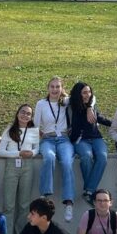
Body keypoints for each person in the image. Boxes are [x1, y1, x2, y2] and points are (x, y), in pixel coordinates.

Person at [35, 77, 76, 222]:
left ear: (62, 88)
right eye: (52, 87)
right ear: (48, 88)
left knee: (67, 162)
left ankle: (69, 202)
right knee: (49, 157)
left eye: (58, 87)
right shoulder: (41, 103)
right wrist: (42, 136)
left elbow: (90, 98)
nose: (55, 89)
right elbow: (35, 125)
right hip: (47, 138)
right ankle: (45, 196)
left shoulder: (66, 102)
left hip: (64, 139)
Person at [0, 104, 39, 234]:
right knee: (9, 205)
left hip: (27, 166)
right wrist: (18, 153)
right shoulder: (9, 129)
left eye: (28, 114)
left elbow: (36, 149)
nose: (25, 115)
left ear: (31, 117)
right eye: (23, 112)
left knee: (24, 205)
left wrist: (31, 153)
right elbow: (1, 151)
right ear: (17, 113)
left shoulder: (33, 131)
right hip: (12, 166)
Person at [68, 82, 112, 206]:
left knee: (102, 157)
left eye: (89, 92)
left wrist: (115, 124)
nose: (87, 95)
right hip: (80, 139)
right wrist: (87, 108)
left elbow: (99, 118)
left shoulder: (92, 104)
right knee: (86, 156)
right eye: (84, 93)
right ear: (78, 94)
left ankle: (89, 191)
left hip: (96, 138)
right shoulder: (72, 106)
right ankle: (90, 191)